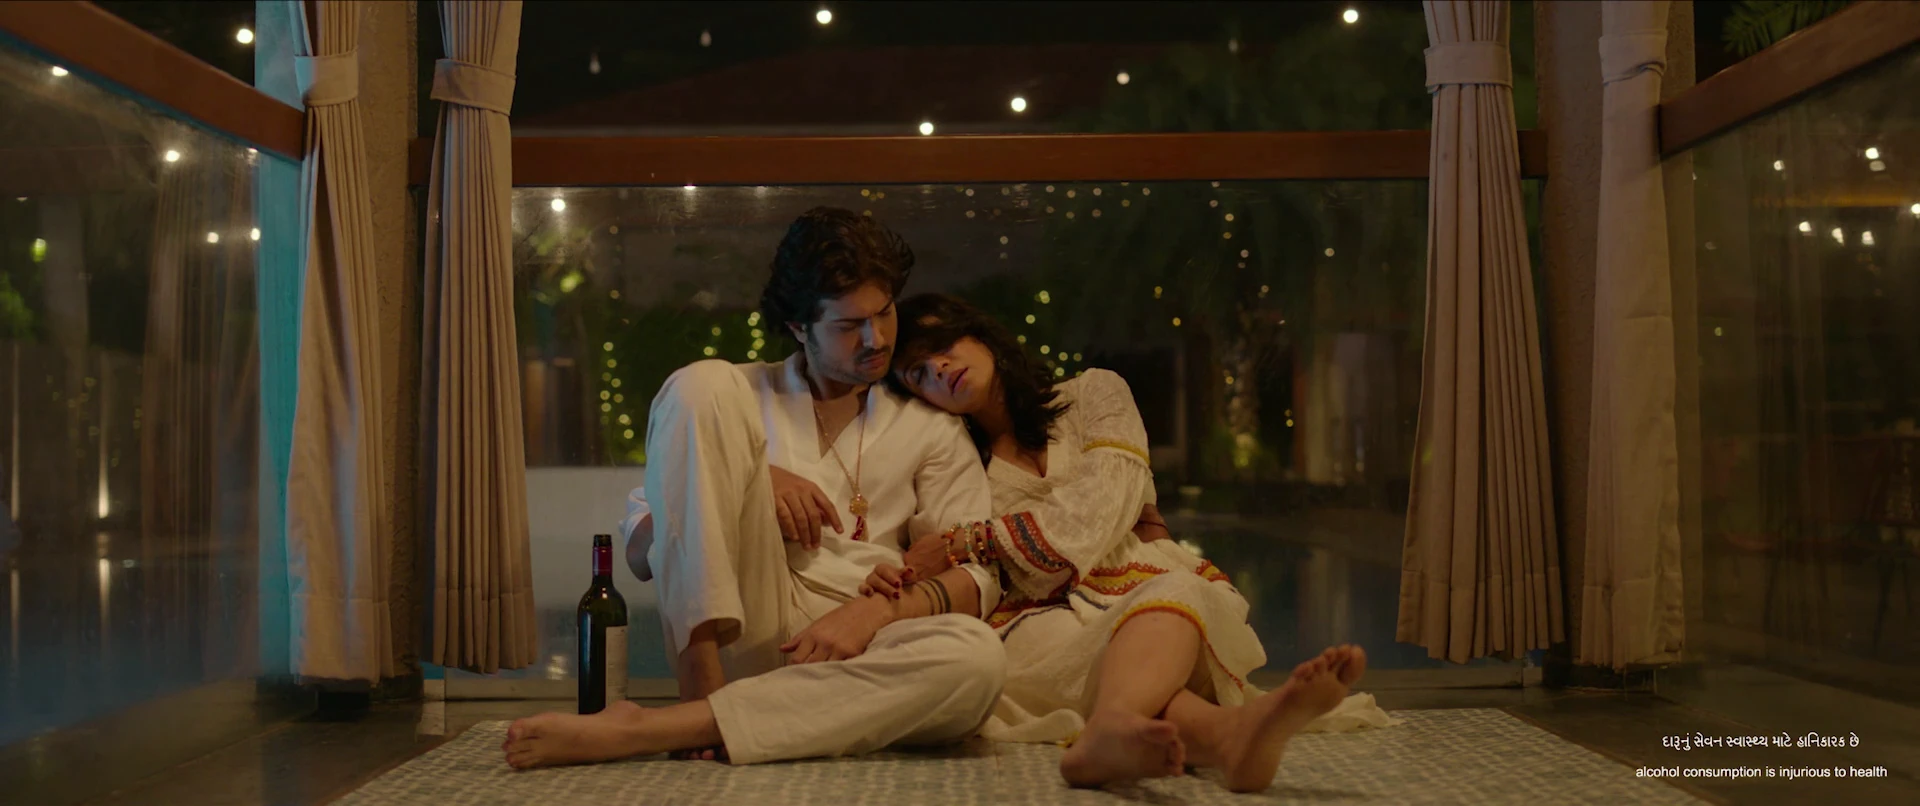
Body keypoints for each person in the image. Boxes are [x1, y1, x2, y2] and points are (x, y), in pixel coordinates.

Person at [502, 208, 1013, 770]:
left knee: (977, 661)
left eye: (885, 313)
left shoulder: (929, 426)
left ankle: (673, 725)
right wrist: (752, 478)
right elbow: (644, 551)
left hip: (860, 644)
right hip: (740, 629)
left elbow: (976, 575)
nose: (878, 339)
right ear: (799, 327)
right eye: (849, 326)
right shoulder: (729, 399)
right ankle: (701, 688)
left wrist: (873, 615)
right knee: (699, 380)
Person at [868, 293, 1392, 792]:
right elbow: (947, 554)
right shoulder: (954, 458)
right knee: (1112, 647)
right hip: (1038, 624)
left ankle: (1121, 728)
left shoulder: (1093, 393)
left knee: (1174, 594)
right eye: (918, 373)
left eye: (942, 346)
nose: (938, 368)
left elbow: (1097, 511)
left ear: (979, 334)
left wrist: (975, 539)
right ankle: (1225, 734)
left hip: (1143, 596)